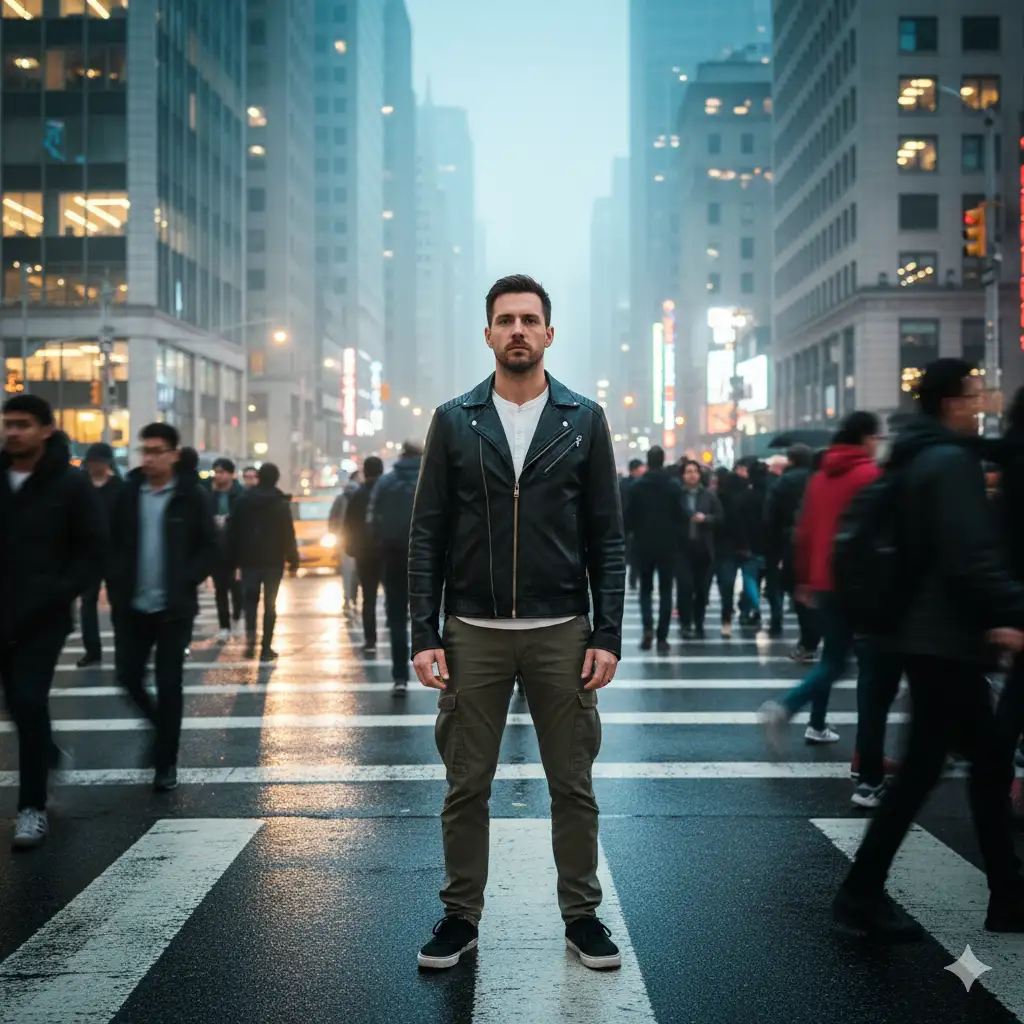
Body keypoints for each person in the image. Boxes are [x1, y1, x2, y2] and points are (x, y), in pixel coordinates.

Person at [409, 274, 625, 971]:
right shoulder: (454, 419)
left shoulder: (583, 419)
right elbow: (426, 534)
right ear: (489, 334)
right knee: (466, 785)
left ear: (549, 334)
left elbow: (607, 537)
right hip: (472, 631)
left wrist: (608, 632)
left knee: (573, 785)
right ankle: (459, 915)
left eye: (530, 319)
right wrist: (423, 631)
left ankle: (582, 915)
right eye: (506, 320)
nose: (518, 331)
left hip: (562, 628)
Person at [833, 360, 1024, 939]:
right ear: (949, 402)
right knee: (938, 769)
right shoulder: (948, 461)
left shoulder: (915, 454)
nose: (979, 403)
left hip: (924, 635)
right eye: (971, 394)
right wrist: (1012, 611)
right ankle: (862, 894)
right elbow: (969, 556)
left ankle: (1004, 897)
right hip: (945, 639)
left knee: (961, 765)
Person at [0, 396, 105, 848]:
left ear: (46, 429)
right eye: (7, 424)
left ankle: (31, 807)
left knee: (27, 697)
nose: (13, 432)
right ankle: (45, 753)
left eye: (22, 424)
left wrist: (62, 590)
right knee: (17, 705)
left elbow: (93, 547)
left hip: (44, 615)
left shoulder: (71, 483)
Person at [759, 412, 881, 749]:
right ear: (866, 438)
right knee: (870, 667)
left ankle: (805, 716)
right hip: (862, 584)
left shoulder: (819, 478)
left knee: (833, 659)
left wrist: (803, 579)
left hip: (823, 582)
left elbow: (805, 532)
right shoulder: (870, 475)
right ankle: (867, 758)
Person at [109, 423, 218, 792]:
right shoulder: (127, 494)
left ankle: (166, 763)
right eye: (146, 451)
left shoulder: (192, 496)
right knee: (127, 676)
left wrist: (187, 577)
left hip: (174, 608)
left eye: (158, 451)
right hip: (133, 606)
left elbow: (210, 547)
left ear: (173, 454)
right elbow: (111, 541)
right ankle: (161, 729)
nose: (151, 458)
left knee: (169, 684)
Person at [227, 462, 298, 661]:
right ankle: (266, 647)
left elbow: (233, 531)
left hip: (248, 559)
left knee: (250, 601)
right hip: (273, 560)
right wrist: (293, 559)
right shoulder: (281, 503)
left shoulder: (243, 500)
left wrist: (231, 559)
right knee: (270, 604)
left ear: (258, 477)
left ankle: (250, 640)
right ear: (276, 479)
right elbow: (288, 534)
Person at [367, 441, 422, 694]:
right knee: (436, 618)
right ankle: (448, 674)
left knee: (397, 618)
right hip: (427, 560)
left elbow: (372, 519)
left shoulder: (386, 482)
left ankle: (400, 677)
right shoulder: (435, 477)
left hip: (393, 557)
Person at [624, 445, 685, 653]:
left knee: (646, 590)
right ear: (663, 460)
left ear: (648, 461)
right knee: (666, 590)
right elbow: (682, 516)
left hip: (643, 545)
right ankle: (662, 636)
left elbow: (628, 519)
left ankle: (647, 628)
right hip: (668, 546)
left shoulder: (637, 487)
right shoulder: (674, 486)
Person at [764, 444, 819, 657]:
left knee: (800, 592)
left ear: (791, 460)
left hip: (791, 544)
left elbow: (771, 519)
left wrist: (772, 551)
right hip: (819, 542)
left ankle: (808, 642)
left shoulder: (782, 483)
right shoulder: (818, 479)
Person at [77, 441, 123, 668]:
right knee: (87, 602)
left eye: (99, 463)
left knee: (118, 603)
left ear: (108, 464)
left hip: (114, 553)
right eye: (92, 463)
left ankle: (123, 648)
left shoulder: (119, 487)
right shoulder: (80, 485)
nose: (95, 467)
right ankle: (92, 650)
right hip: (88, 554)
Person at [676, 459, 722, 640]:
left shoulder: (709, 495)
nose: (692, 475)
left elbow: (720, 517)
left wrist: (706, 519)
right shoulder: (678, 495)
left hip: (703, 550)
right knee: (685, 588)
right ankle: (685, 623)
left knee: (701, 589)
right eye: (688, 471)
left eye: (695, 471)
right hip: (683, 549)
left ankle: (699, 622)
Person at [344, 456, 384, 653]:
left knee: (368, 597)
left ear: (365, 472)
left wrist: (351, 547)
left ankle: (370, 640)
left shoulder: (358, 495)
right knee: (395, 596)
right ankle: (398, 635)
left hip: (364, 553)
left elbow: (348, 524)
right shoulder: (388, 492)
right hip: (387, 552)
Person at [208, 456, 244, 640]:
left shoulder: (240, 494)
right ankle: (224, 625)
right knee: (220, 590)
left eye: (222, 472)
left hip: (236, 550)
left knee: (237, 589)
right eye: (216, 472)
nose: (218, 476)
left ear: (231, 474)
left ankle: (238, 617)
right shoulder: (211, 494)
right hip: (216, 550)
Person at [619, 458, 645, 591]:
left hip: (632, 526)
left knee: (634, 556)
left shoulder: (629, 484)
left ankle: (633, 580)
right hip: (626, 525)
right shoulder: (627, 485)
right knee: (626, 556)